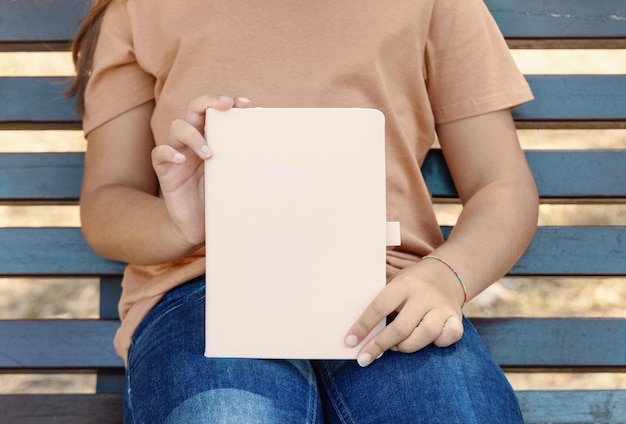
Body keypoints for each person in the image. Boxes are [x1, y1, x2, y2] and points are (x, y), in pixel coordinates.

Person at [70, 0, 539, 422]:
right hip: (206, 289)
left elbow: (501, 186)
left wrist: (445, 277)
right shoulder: (139, 9)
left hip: (391, 290)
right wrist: (179, 225)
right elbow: (108, 200)